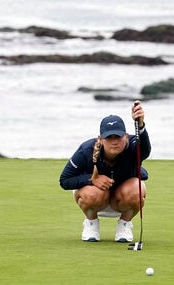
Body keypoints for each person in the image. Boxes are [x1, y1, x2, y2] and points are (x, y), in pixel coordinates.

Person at [59, 101, 151, 242]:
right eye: (109, 137)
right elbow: (64, 180)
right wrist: (92, 179)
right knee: (92, 192)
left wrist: (140, 126)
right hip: (96, 200)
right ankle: (91, 223)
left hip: (121, 199)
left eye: (118, 137)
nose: (114, 142)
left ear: (126, 136)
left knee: (136, 188)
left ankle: (124, 225)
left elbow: (144, 151)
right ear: (101, 139)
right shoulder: (86, 150)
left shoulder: (133, 145)